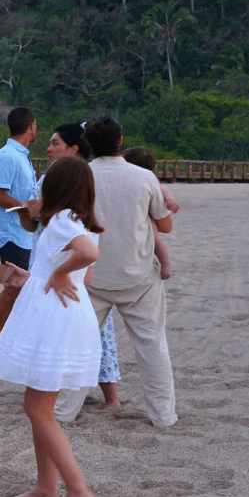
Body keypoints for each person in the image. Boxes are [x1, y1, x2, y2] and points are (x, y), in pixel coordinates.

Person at [0, 155, 104, 497]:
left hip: (54, 317)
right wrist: (36, 276)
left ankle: (77, 488)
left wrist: (55, 276)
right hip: (62, 311)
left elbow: (87, 255)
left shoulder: (60, 221)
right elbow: (82, 273)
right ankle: (46, 485)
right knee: (39, 404)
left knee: (38, 408)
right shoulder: (74, 220)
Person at [55, 115, 175, 427]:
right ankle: (163, 415)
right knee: (152, 345)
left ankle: (64, 411)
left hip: (92, 275)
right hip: (137, 275)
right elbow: (164, 224)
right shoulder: (144, 177)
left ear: (88, 145)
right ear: (120, 140)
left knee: (79, 346)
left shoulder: (82, 175)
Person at [48, 121, 118, 406]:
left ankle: (68, 399)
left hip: (66, 275)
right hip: (71, 275)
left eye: (55, 143)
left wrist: (61, 273)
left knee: (84, 338)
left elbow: (88, 256)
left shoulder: (67, 216)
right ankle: (102, 396)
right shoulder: (85, 217)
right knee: (92, 335)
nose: (49, 148)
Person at [0, 107, 41, 359]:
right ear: (31, 126)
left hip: (22, 232)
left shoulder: (20, 155)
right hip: (11, 233)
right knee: (13, 288)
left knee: (19, 289)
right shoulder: (8, 155)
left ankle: (3, 342)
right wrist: (24, 208)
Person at [121, 147, 178, 281]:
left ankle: (165, 263)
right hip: (139, 214)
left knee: (156, 241)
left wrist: (170, 201)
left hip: (147, 216)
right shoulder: (147, 178)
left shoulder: (148, 179)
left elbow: (163, 190)